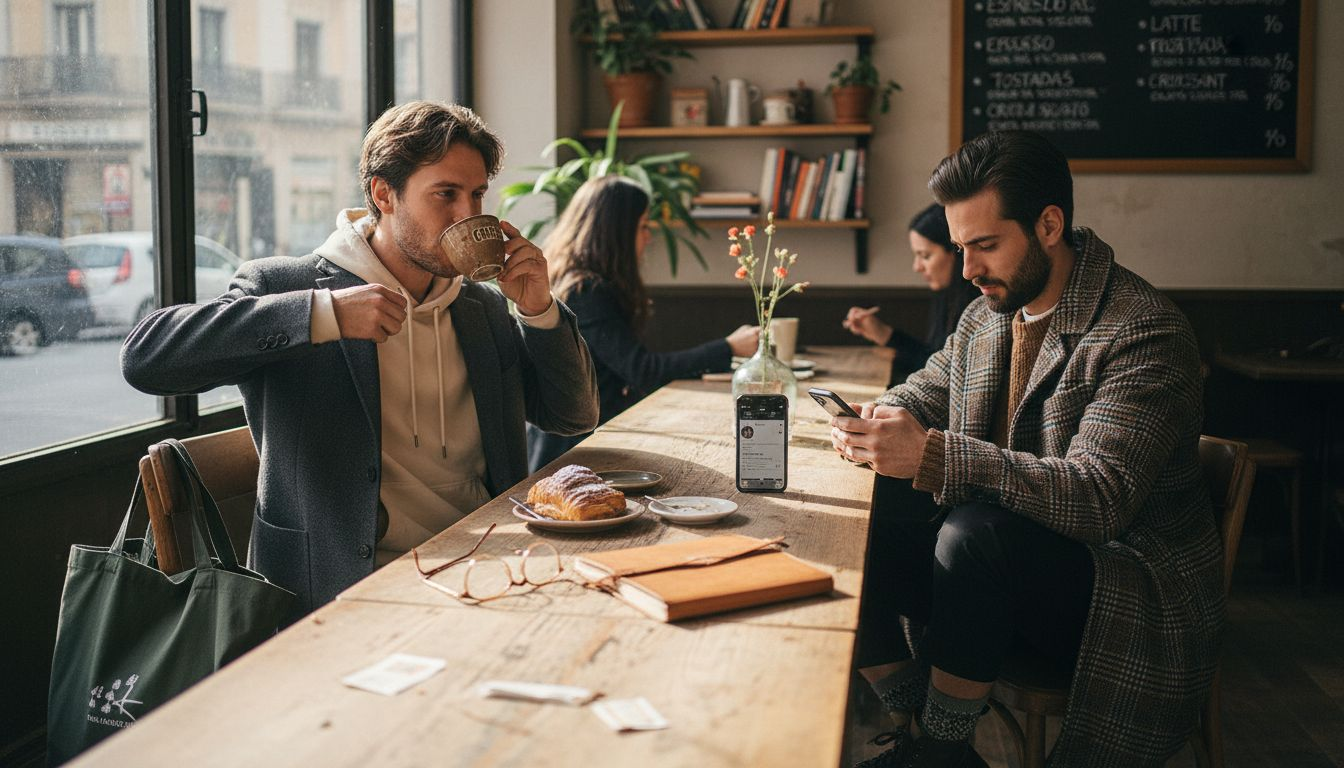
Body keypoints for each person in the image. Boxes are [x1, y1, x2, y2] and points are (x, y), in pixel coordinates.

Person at [832, 132, 1222, 767]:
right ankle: (916, 722)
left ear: (1049, 225)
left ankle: (942, 749)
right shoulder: (986, 316)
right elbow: (926, 388)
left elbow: (1099, 497)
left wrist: (932, 455)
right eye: (960, 248)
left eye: (985, 245)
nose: (967, 270)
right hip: (1000, 582)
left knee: (974, 532)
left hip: (1117, 595)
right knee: (859, 516)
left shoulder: (1142, 329)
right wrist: (876, 419)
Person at [122, 101, 599, 616]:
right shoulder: (291, 287)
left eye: (477, 193)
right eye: (446, 194)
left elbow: (572, 416)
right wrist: (321, 315)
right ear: (382, 194)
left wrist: (539, 310)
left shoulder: (480, 305)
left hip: (492, 570)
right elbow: (146, 358)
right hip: (347, 589)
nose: (470, 214)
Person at [527, 175, 758, 471]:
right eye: (643, 226)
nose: (648, 236)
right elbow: (643, 370)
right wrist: (728, 347)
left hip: (591, 442)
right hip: (573, 456)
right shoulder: (586, 291)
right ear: (616, 232)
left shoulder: (583, 283)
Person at [842, 203, 978, 387]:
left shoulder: (978, 307)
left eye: (925, 255)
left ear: (957, 251)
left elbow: (944, 376)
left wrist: (886, 335)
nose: (917, 267)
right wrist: (882, 334)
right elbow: (933, 359)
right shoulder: (946, 295)